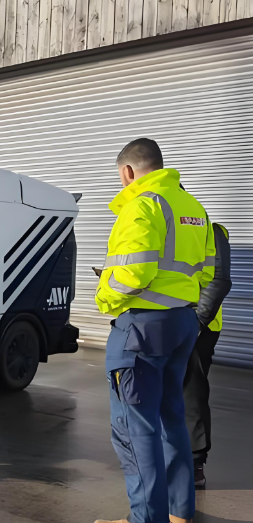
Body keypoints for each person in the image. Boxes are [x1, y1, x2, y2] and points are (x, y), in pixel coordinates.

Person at [94, 138, 214, 523]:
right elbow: (206, 272)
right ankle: (180, 512)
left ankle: (146, 519)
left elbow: (132, 273)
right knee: (171, 416)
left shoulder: (142, 205)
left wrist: (105, 299)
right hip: (182, 324)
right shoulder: (193, 207)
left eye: (119, 178)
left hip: (141, 329)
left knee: (135, 429)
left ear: (128, 172)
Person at [184, 222, 231, 489]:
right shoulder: (162, 227)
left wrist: (197, 322)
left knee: (191, 392)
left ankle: (194, 464)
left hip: (200, 326)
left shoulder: (212, 231)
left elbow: (220, 280)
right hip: (166, 323)